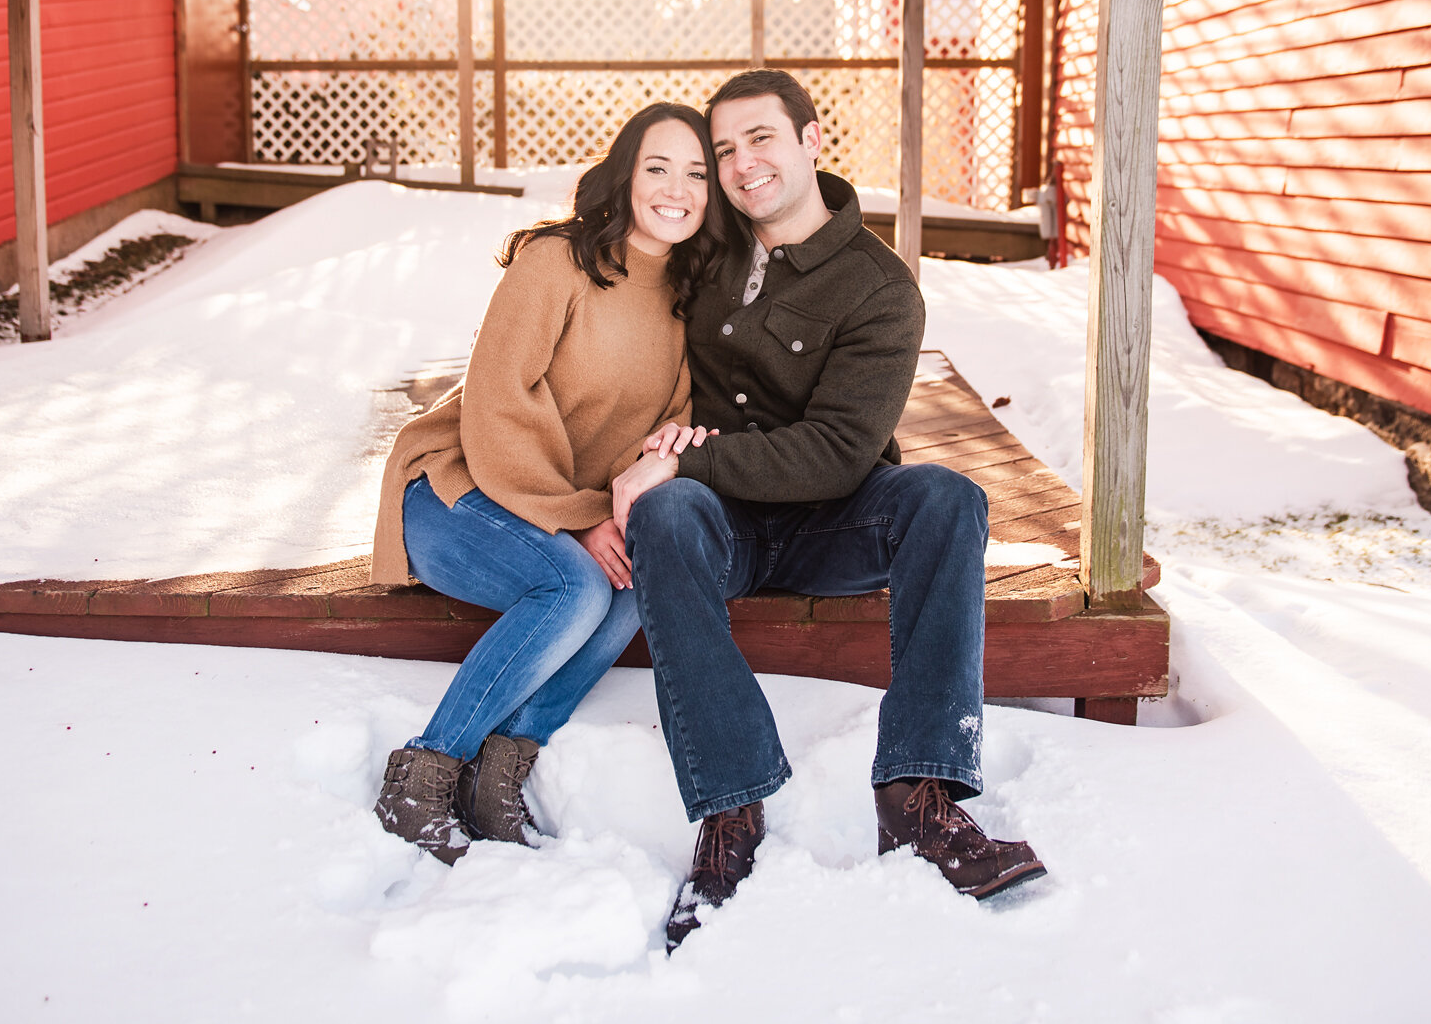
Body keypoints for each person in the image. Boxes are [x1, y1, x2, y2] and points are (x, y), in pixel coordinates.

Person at [610, 70, 1046, 950]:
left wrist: (692, 456)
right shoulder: (714, 241)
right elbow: (628, 233)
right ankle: (731, 810)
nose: (740, 165)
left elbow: (839, 451)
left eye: (761, 139)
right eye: (724, 148)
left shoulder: (880, 288)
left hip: (831, 517)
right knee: (666, 519)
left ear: (813, 140)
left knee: (947, 498)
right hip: (720, 522)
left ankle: (919, 795)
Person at [369, 102, 730, 864]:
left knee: (635, 582)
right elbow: (499, 402)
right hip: (458, 489)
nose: (677, 188)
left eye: (696, 173)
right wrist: (577, 519)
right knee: (575, 587)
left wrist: (624, 502)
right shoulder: (556, 263)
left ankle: (499, 769)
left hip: (555, 513)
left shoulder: (679, 300)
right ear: (626, 175)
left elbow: (657, 429)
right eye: (657, 167)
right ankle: (423, 771)